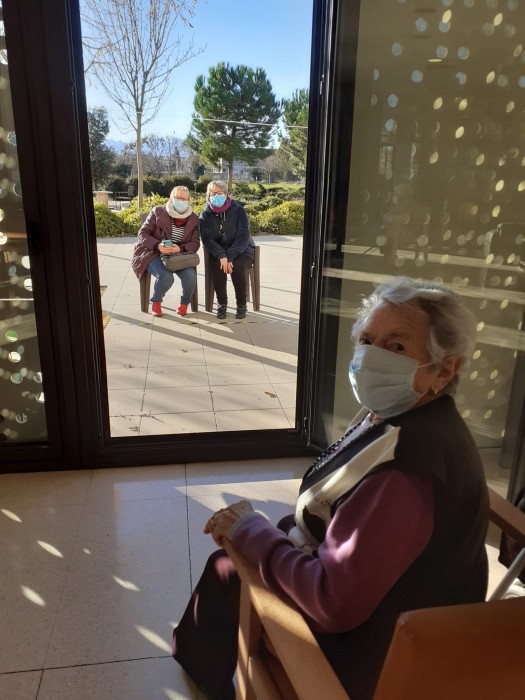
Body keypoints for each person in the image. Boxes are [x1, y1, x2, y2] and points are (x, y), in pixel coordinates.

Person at [172, 277, 489, 700]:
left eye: (396, 346)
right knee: (244, 552)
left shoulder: (406, 473)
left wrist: (249, 528)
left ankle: (213, 680)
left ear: (444, 369)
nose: (371, 356)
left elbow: (331, 602)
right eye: (367, 341)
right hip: (397, 620)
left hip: (376, 658)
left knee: (227, 570)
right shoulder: (401, 417)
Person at [132, 185, 200, 317]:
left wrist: (180, 248)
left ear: (189, 201)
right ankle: (156, 302)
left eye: (184, 199)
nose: (181, 201)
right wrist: (158, 245)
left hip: (179, 255)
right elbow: (142, 234)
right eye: (177, 198)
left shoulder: (193, 219)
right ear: (171, 198)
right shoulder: (158, 212)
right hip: (154, 253)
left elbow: (195, 243)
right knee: (166, 277)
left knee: (190, 276)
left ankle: (184, 304)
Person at [199, 180, 255, 320]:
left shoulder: (239, 210)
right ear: (208, 196)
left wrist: (230, 256)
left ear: (226, 194)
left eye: (219, 192)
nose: (216, 196)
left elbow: (243, 236)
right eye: (213, 193)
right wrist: (221, 255)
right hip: (219, 251)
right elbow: (207, 239)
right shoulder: (205, 215)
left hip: (242, 250)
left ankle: (241, 304)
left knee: (237, 265)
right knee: (217, 265)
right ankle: (222, 304)